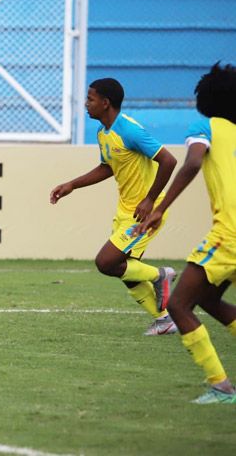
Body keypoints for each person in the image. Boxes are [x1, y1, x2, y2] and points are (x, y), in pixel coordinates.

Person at [136, 62, 236, 404]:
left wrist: (161, 206)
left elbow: (193, 162)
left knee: (179, 304)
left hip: (230, 235)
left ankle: (221, 386)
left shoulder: (205, 126)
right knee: (207, 299)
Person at [50, 78, 178, 335]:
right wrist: (72, 184)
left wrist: (150, 200)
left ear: (105, 103)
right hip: (126, 211)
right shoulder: (103, 133)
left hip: (145, 213)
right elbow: (107, 167)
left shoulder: (129, 130)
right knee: (126, 271)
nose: (86, 104)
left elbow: (169, 160)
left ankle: (159, 275)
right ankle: (164, 320)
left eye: (91, 99)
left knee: (106, 262)